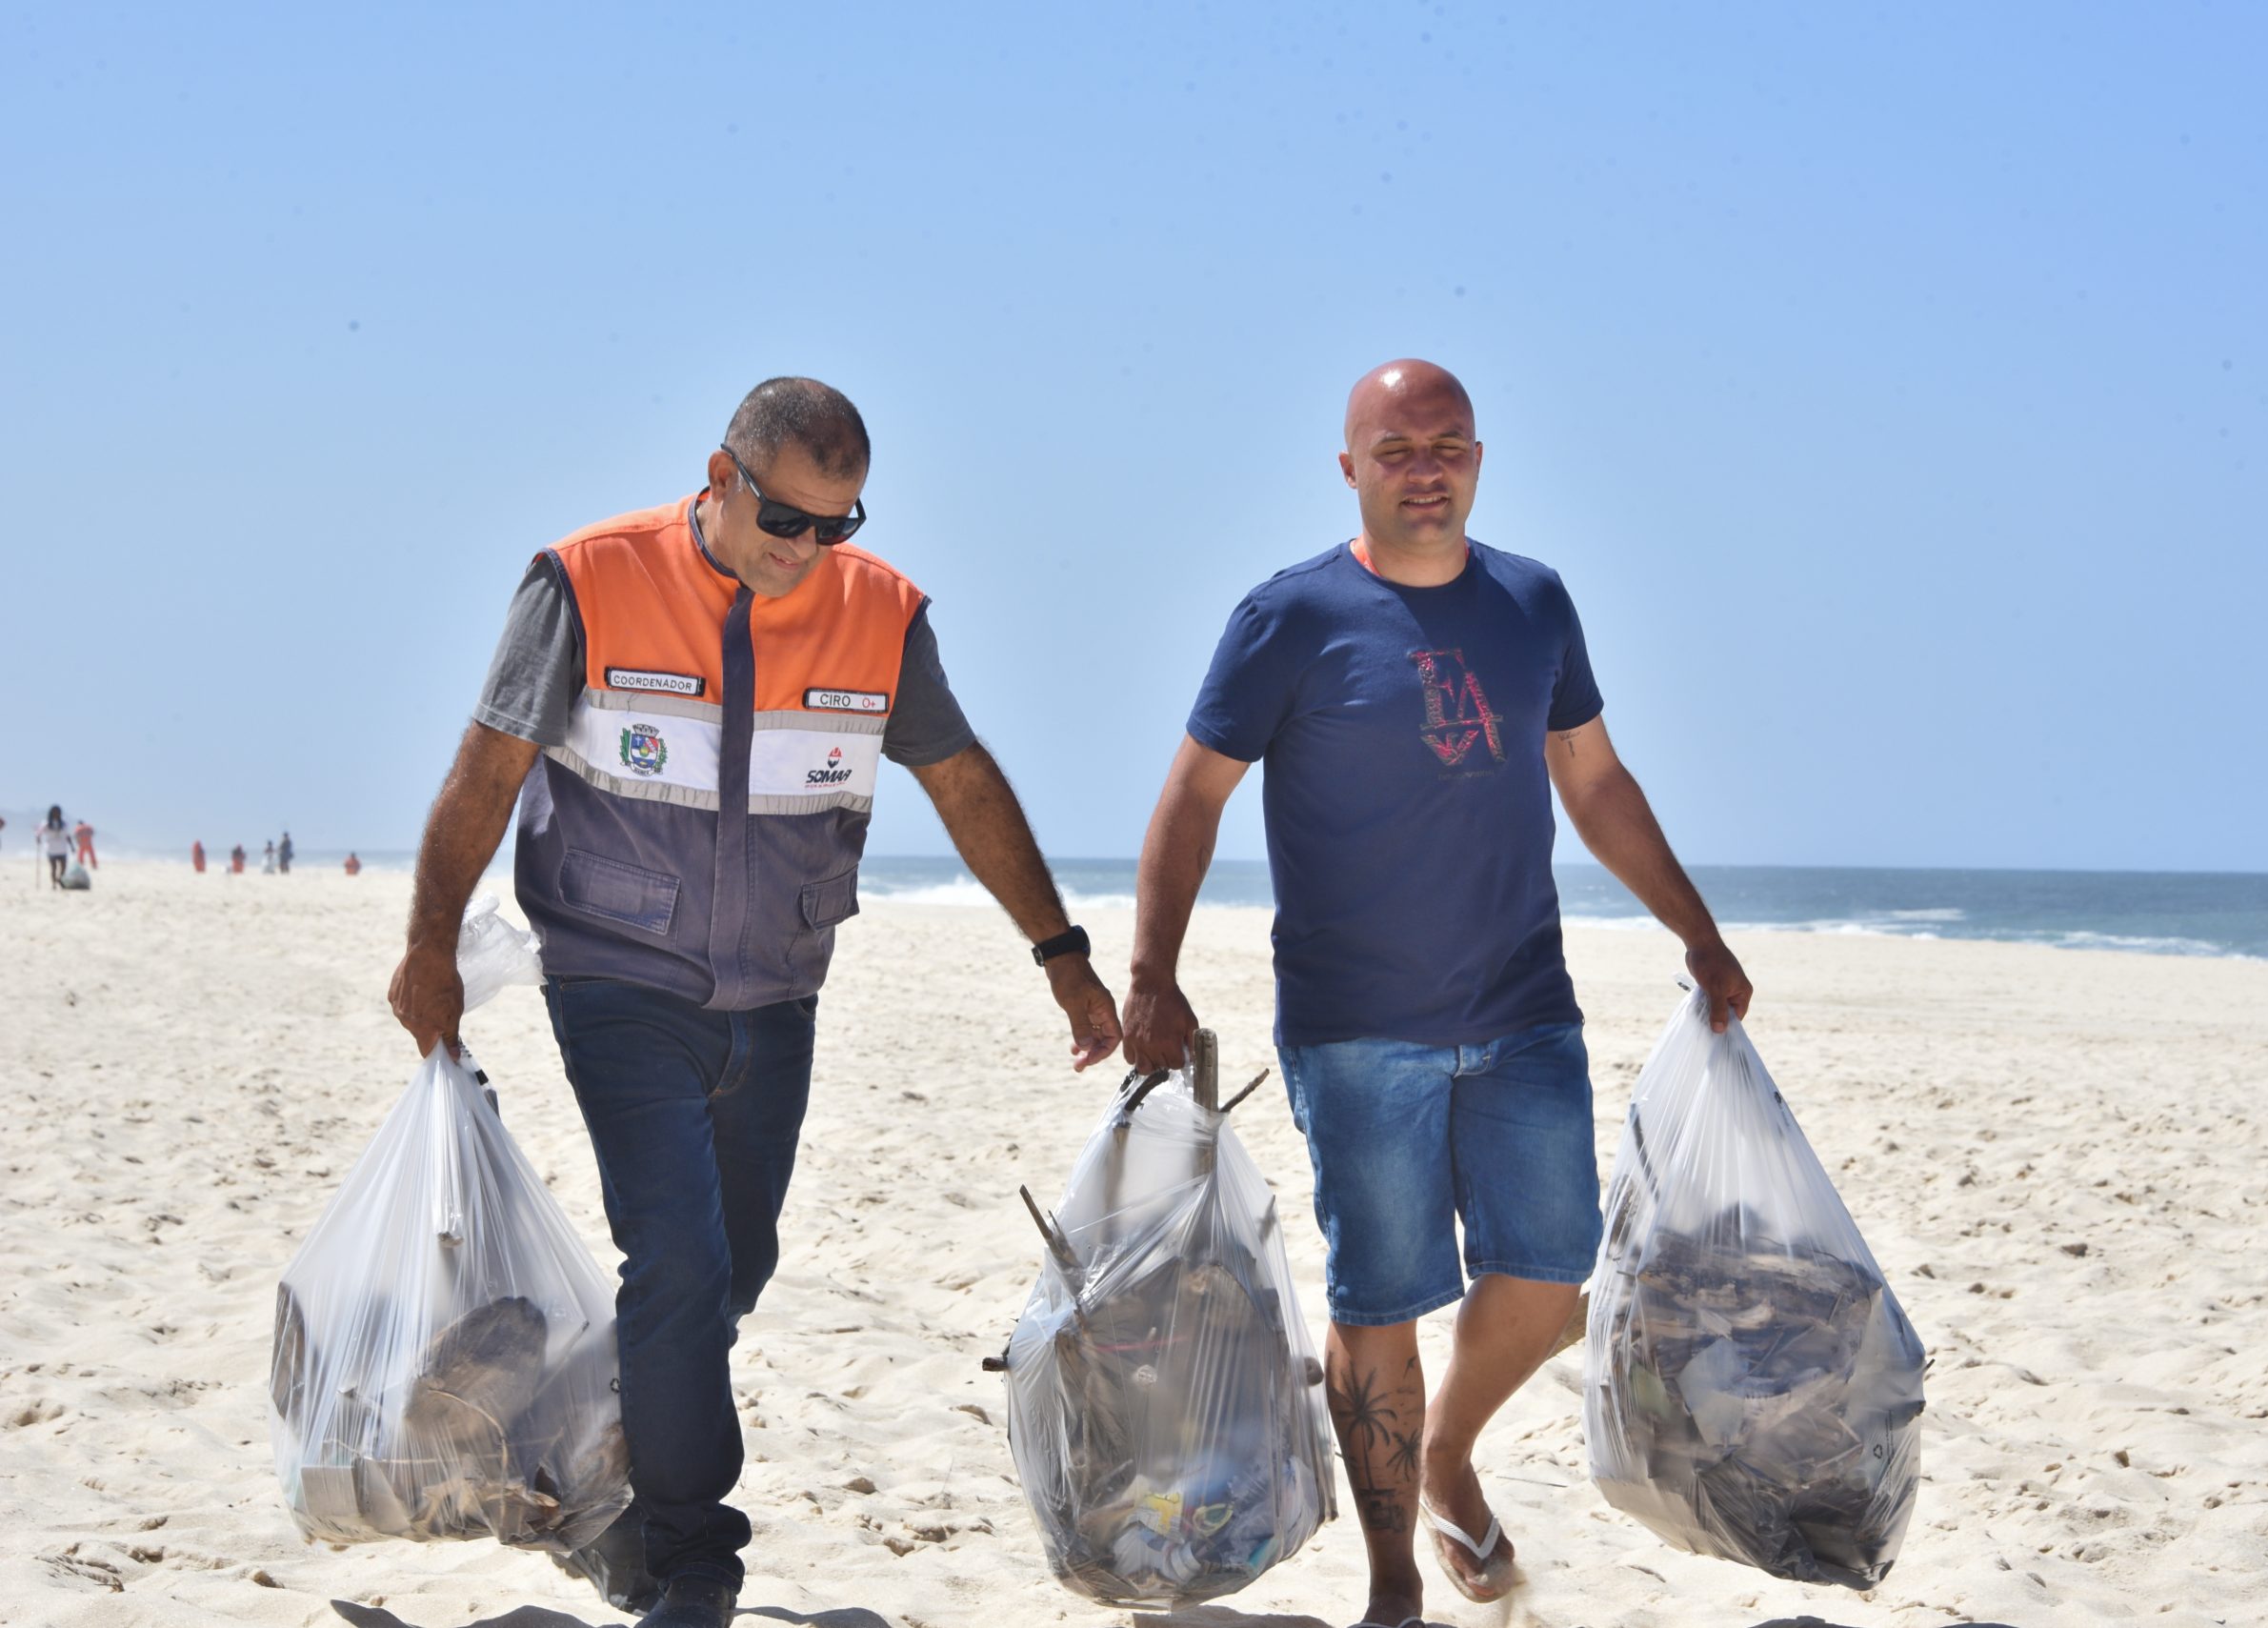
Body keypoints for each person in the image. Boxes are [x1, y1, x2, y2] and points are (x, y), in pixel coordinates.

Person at [387, 376, 1120, 1628]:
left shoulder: (880, 615)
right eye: (788, 519)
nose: (809, 551)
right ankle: (693, 1560)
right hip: (618, 977)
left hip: (779, 992)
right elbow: (486, 767)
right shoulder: (585, 581)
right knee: (674, 1256)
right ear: (719, 478)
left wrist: (1061, 950)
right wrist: (431, 946)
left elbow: (964, 782)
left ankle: (602, 1465)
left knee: (731, 1270)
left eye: (837, 524)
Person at [1122, 360, 1753, 1628]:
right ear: (1350, 467)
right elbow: (1195, 791)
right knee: (1381, 1301)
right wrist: (1152, 972)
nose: (1428, 467)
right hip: (1360, 1031)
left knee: (1551, 1273)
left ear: (1478, 457)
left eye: (1450, 444)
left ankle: (1449, 1452)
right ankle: (1397, 1582)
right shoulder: (1288, 617)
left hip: (1525, 1010)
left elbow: (1595, 779)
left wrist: (1697, 928)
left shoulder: (1534, 603)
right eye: (1399, 447)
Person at [38, 807, 72, 888]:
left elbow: (68, 836)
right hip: (51, 849)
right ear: (51, 812)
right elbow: (39, 832)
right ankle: (54, 884)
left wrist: (72, 846)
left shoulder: (64, 823)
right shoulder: (46, 823)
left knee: (63, 868)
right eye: (55, 811)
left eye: (58, 812)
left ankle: (60, 880)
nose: (57, 813)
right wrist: (38, 838)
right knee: (54, 868)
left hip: (62, 849)